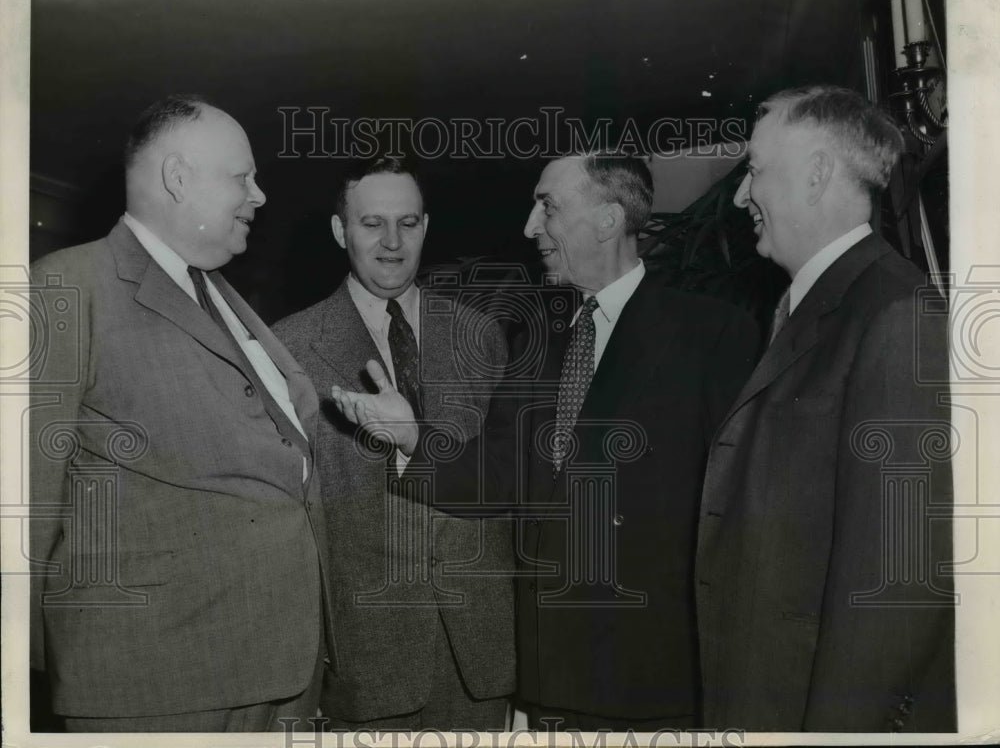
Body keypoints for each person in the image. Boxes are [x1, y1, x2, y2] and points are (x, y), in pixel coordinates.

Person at [329, 153, 760, 730]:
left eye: (548, 207)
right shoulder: (541, 340)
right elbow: (499, 474)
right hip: (551, 676)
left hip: (653, 677)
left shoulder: (712, 334)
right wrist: (411, 438)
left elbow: (737, 514)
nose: (531, 227)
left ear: (608, 220)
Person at [29, 95, 330, 732]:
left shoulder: (218, 295)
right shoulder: (65, 286)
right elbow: (22, 507)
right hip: (155, 686)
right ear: (178, 177)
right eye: (243, 177)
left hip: (281, 669)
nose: (259, 196)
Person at [694, 85, 955, 731]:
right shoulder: (808, 307)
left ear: (815, 175)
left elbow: (895, 585)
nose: (740, 196)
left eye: (755, 170)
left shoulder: (897, 314)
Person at [272, 157, 515, 730]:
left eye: (407, 223)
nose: (391, 242)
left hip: (480, 651)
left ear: (425, 227)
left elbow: (508, 481)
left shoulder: (480, 335)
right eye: (372, 223)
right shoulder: (290, 347)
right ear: (341, 231)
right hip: (363, 657)